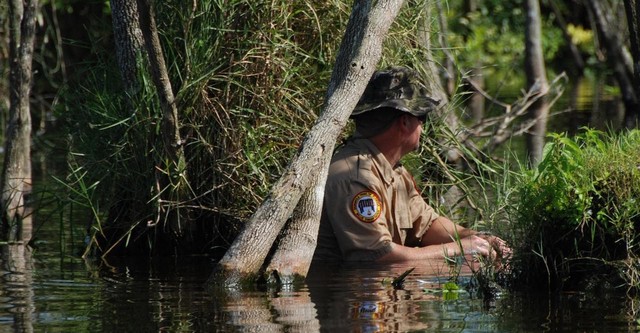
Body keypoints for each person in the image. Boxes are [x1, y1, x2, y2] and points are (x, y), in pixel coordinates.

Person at [313, 66, 511, 263]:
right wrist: (457, 249)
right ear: (405, 122)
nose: (423, 127)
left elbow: (426, 224)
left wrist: (478, 239)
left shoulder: (393, 169)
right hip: (349, 290)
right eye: (421, 117)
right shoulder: (354, 177)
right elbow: (377, 256)